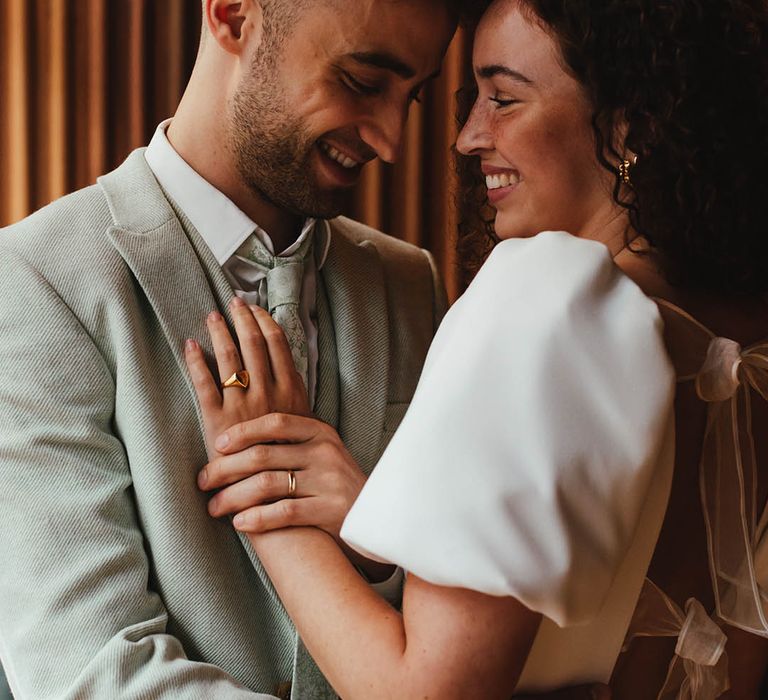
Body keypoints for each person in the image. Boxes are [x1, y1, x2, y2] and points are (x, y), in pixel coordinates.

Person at [186, 0, 768, 697]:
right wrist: (379, 512)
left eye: (503, 98)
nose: (467, 137)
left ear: (632, 125)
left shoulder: (546, 298)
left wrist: (266, 494)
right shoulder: (748, 344)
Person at [0, 1, 463, 697]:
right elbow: (93, 674)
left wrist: (373, 531)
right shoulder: (37, 281)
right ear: (233, 14)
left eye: (413, 96)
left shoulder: (412, 288)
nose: (393, 141)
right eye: (365, 82)